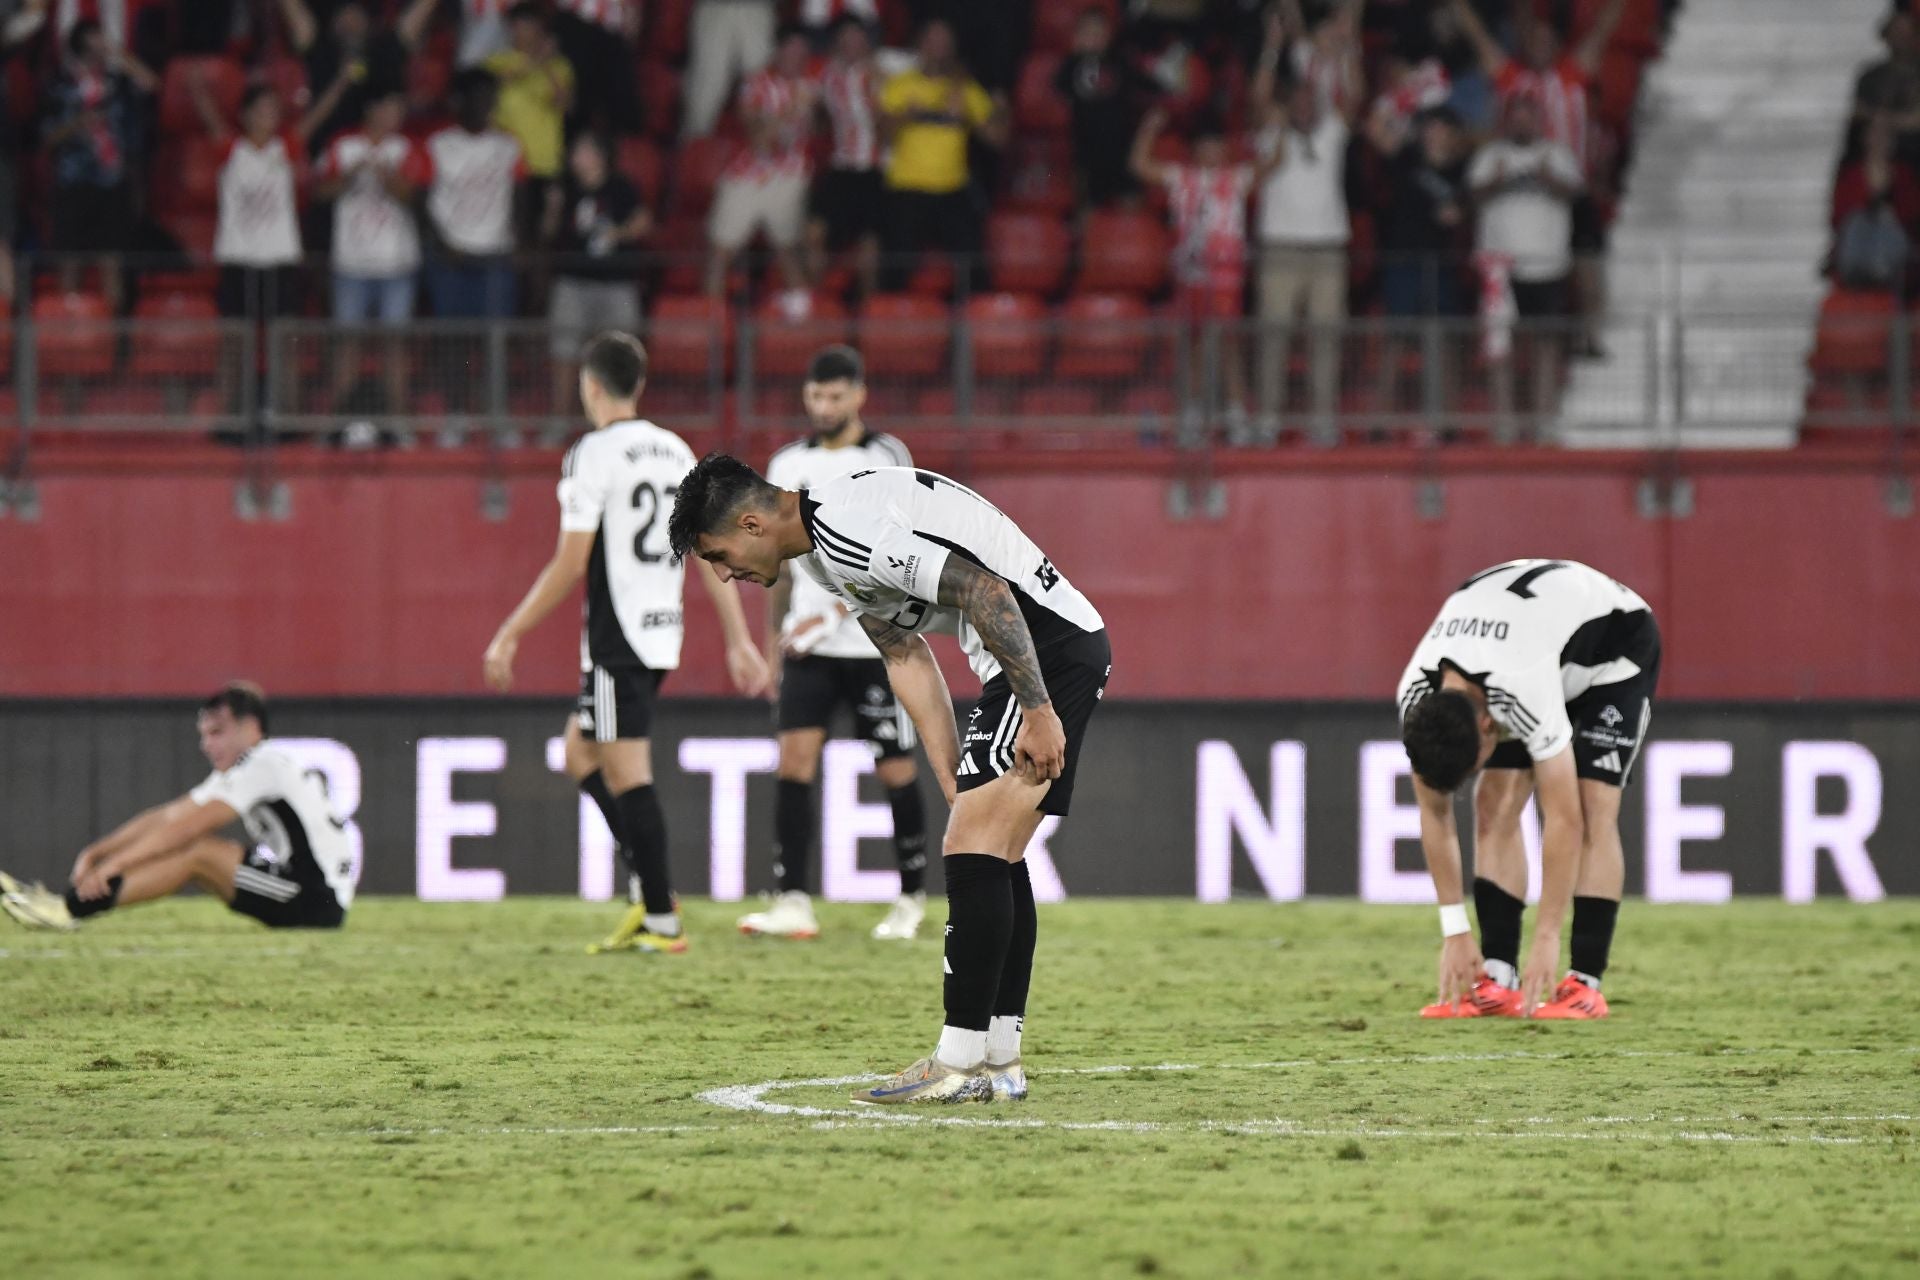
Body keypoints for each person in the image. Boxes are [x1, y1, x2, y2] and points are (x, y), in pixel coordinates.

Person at [668, 457, 1110, 1106]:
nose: (726, 573)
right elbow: (904, 655)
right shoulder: (822, 550)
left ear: (753, 523)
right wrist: (949, 772)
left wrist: (1040, 711)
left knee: (974, 851)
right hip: (1044, 648)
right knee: (995, 851)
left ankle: (956, 1063)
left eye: (719, 554)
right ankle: (999, 1061)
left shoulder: (849, 530)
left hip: (1046, 650)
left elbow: (986, 592)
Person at [483, 332, 770, 956]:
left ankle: (661, 917)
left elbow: (569, 562)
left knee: (627, 772)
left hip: (617, 639)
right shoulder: (675, 451)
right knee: (579, 753)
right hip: (662, 631)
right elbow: (707, 552)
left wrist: (511, 632)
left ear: (590, 386)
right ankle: (652, 882)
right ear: (637, 385)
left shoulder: (591, 453)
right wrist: (738, 638)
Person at [1396, 558, 1660, 1021]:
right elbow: (1434, 811)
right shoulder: (1416, 697)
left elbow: (1564, 819)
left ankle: (1584, 983)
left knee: (1593, 804)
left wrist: (1546, 938)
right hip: (1531, 643)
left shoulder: (1521, 690)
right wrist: (1454, 931)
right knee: (1492, 803)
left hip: (1613, 648)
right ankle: (1498, 976)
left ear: (1486, 725)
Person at [736, 346, 928, 943]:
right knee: (793, 763)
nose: (825, 406)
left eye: (836, 396)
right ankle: (793, 898)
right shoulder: (787, 462)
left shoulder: (887, 456)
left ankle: (911, 897)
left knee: (895, 767)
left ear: (859, 395)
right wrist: (773, 640)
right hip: (807, 650)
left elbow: (904, 552)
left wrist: (840, 609)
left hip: (876, 645)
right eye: (816, 396)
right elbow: (776, 564)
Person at [0, 684, 352, 933]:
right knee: (194, 852)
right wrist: (97, 852)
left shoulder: (262, 766)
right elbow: (169, 816)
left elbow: (188, 829)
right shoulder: (250, 766)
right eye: (204, 734)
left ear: (250, 728)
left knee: (197, 852)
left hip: (317, 898)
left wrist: (112, 867)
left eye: (217, 732)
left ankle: (70, 908)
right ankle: (71, 904)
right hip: (304, 888)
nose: (206, 744)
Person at [1451, 0, 1626, 355]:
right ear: (1524, 44)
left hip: (1567, 189)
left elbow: (1604, 27)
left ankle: (1588, 336)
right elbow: (1477, 35)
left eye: (1547, 41)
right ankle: (1513, 346)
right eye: (1534, 40)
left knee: (1588, 268)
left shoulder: (1573, 73)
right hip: (1519, 194)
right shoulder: (1510, 76)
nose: (1541, 46)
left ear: (1558, 46)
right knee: (1521, 277)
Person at [1130, 107, 1280, 437]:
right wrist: (1149, 128)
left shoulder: (1235, 178)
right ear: (1196, 151)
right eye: (1206, 147)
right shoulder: (1182, 178)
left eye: (1218, 147)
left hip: (1226, 276)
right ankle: (1193, 417)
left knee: (1228, 345)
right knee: (1194, 345)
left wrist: (1275, 130)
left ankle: (1238, 415)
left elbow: (1273, 164)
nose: (1212, 153)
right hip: (1192, 275)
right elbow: (1139, 165)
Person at [1250, 9, 1358, 442]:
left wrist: (1347, 50)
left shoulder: (1332, 131)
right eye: (1297, 99)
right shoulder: (1272, 133)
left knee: (1326, 341)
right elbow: (1258, 99)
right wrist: (1272, 49)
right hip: (1280, 249)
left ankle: (1322, 421)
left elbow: (1353, 99)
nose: (1304, 105)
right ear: (1288, 103)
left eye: (1312, 99)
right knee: (1273, 339)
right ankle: (1268, 420)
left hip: (1328, 250)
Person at [314, 87, 427, 430]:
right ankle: (340, 422)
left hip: (397, 264)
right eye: (391, 107)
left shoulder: (407, 148)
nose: (397, 116)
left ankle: (397, 423)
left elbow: (413, 195)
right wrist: (352, 175)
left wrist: (385, 176)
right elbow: (320, 192)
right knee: (348, 345)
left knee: (395, 346)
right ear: (373, 109)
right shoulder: (343, 145)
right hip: (352, 263)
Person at [1469, 93, 1581, 436]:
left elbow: (1575, 193)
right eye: (1515, 116)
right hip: (1500, 269)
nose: (1521, 122)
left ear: (1538, 120)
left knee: (1545, 347)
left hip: (1547, 266)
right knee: (1501, 347)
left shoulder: (1558, 154)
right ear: (1506, 121)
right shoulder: (1491, 156)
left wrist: (1549, 178)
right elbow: (1473, 195)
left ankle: (1544, 420)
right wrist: (1497, 181)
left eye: (1527, 116)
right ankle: (1504, 423)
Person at [878, 19, 1008, 290]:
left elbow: (999, 138)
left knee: (974, 260)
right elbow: (881, 136)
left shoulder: (965, 88)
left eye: (944, 43)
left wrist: (977, 114)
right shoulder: (899, 85)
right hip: (907, 188)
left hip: (952, 189)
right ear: (920, 46)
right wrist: (905, 116)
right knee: (895, 263)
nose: (937, 48)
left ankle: (972, 324)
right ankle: (893, 324)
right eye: (932, 41)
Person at [42, 18, 157, 311]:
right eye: (95, 38)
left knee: (112, 264)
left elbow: (151, 82)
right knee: (69, 265)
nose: (100, 44)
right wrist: (77, 125)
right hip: (73, 183)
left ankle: (114, 345)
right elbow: (46, 137)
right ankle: (70, 338)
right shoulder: (59, 85)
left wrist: (118, 53)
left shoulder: (117, 82)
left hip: (112, 182)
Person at [542, 133, 650, 416]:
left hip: (615, 284)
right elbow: (548, 234)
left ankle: (616, 421)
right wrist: (553, 208)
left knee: (618, 355)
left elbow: (643, 223)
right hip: (572, 282)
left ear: (599, 156)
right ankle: (559, 420)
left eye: (581, 150)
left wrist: (618, 232)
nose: (574, 156)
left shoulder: (621, 187)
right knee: (564, 353)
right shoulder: (565, 187)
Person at [707, 25, 817, 302]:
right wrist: (789, 112)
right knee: (720, 251)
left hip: (791, 175)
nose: (795, 57)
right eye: (790, 50)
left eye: (801, 53)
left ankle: (802, 318)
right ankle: (710, 320)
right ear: (778, 52)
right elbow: (758, 139)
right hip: (748, 174)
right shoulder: (755, 84)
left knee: (788, 249)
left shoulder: (812, 86)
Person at [423, 68, 526, 322]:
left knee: (495, 336)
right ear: (461, 101)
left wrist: (520, 240)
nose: (489, 105)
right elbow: (420, 200)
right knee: (451, 339)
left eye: (493, 98)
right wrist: (439, 243)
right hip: (450, 256)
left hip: (496, 255)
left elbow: (521, 195)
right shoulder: (438, 144)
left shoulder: (508, 145)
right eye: (482, 97)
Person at [275, 0, 437, 152]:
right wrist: (341, 81)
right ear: (332, 24)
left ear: (368, 22)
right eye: (343, 17)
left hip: (382, 156)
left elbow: (417, 15)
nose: (350, 24)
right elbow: (295, 13)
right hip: (326, 157)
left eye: (356, 17)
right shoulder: (320, 53)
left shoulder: (385, 51)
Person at [807, 16, 885, 297]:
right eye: (846, 38)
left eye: (857, 37)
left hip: (873, 169)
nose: (852, 43)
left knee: (869, 245)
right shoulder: (826, 76)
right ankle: (816, 306)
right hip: (840, 168)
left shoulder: (882, 71)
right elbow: (815, 114)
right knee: (813, 234)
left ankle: (870, 315)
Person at [1053, 5, 1156, 209]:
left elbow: (1146, 84)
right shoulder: (1070, 65)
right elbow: (1058, 92)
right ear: (1076, 37)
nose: (1094, 37)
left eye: (1099, 32)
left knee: (1130, 201)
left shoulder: (1119, 62)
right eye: (1088, 32)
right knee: (1087, 204)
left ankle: (1131, 237)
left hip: (1121, 147)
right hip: (1087, 151)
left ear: (1109, 36)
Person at [485, 2, 575, 204]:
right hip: (505, 163)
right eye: (518, 26)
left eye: (530, 26)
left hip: (543, 163)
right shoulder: (496, 61)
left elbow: (565, 105)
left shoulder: (559, 66)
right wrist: (535, 62)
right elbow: (492, 88)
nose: (524, 32)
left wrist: (547, 67)